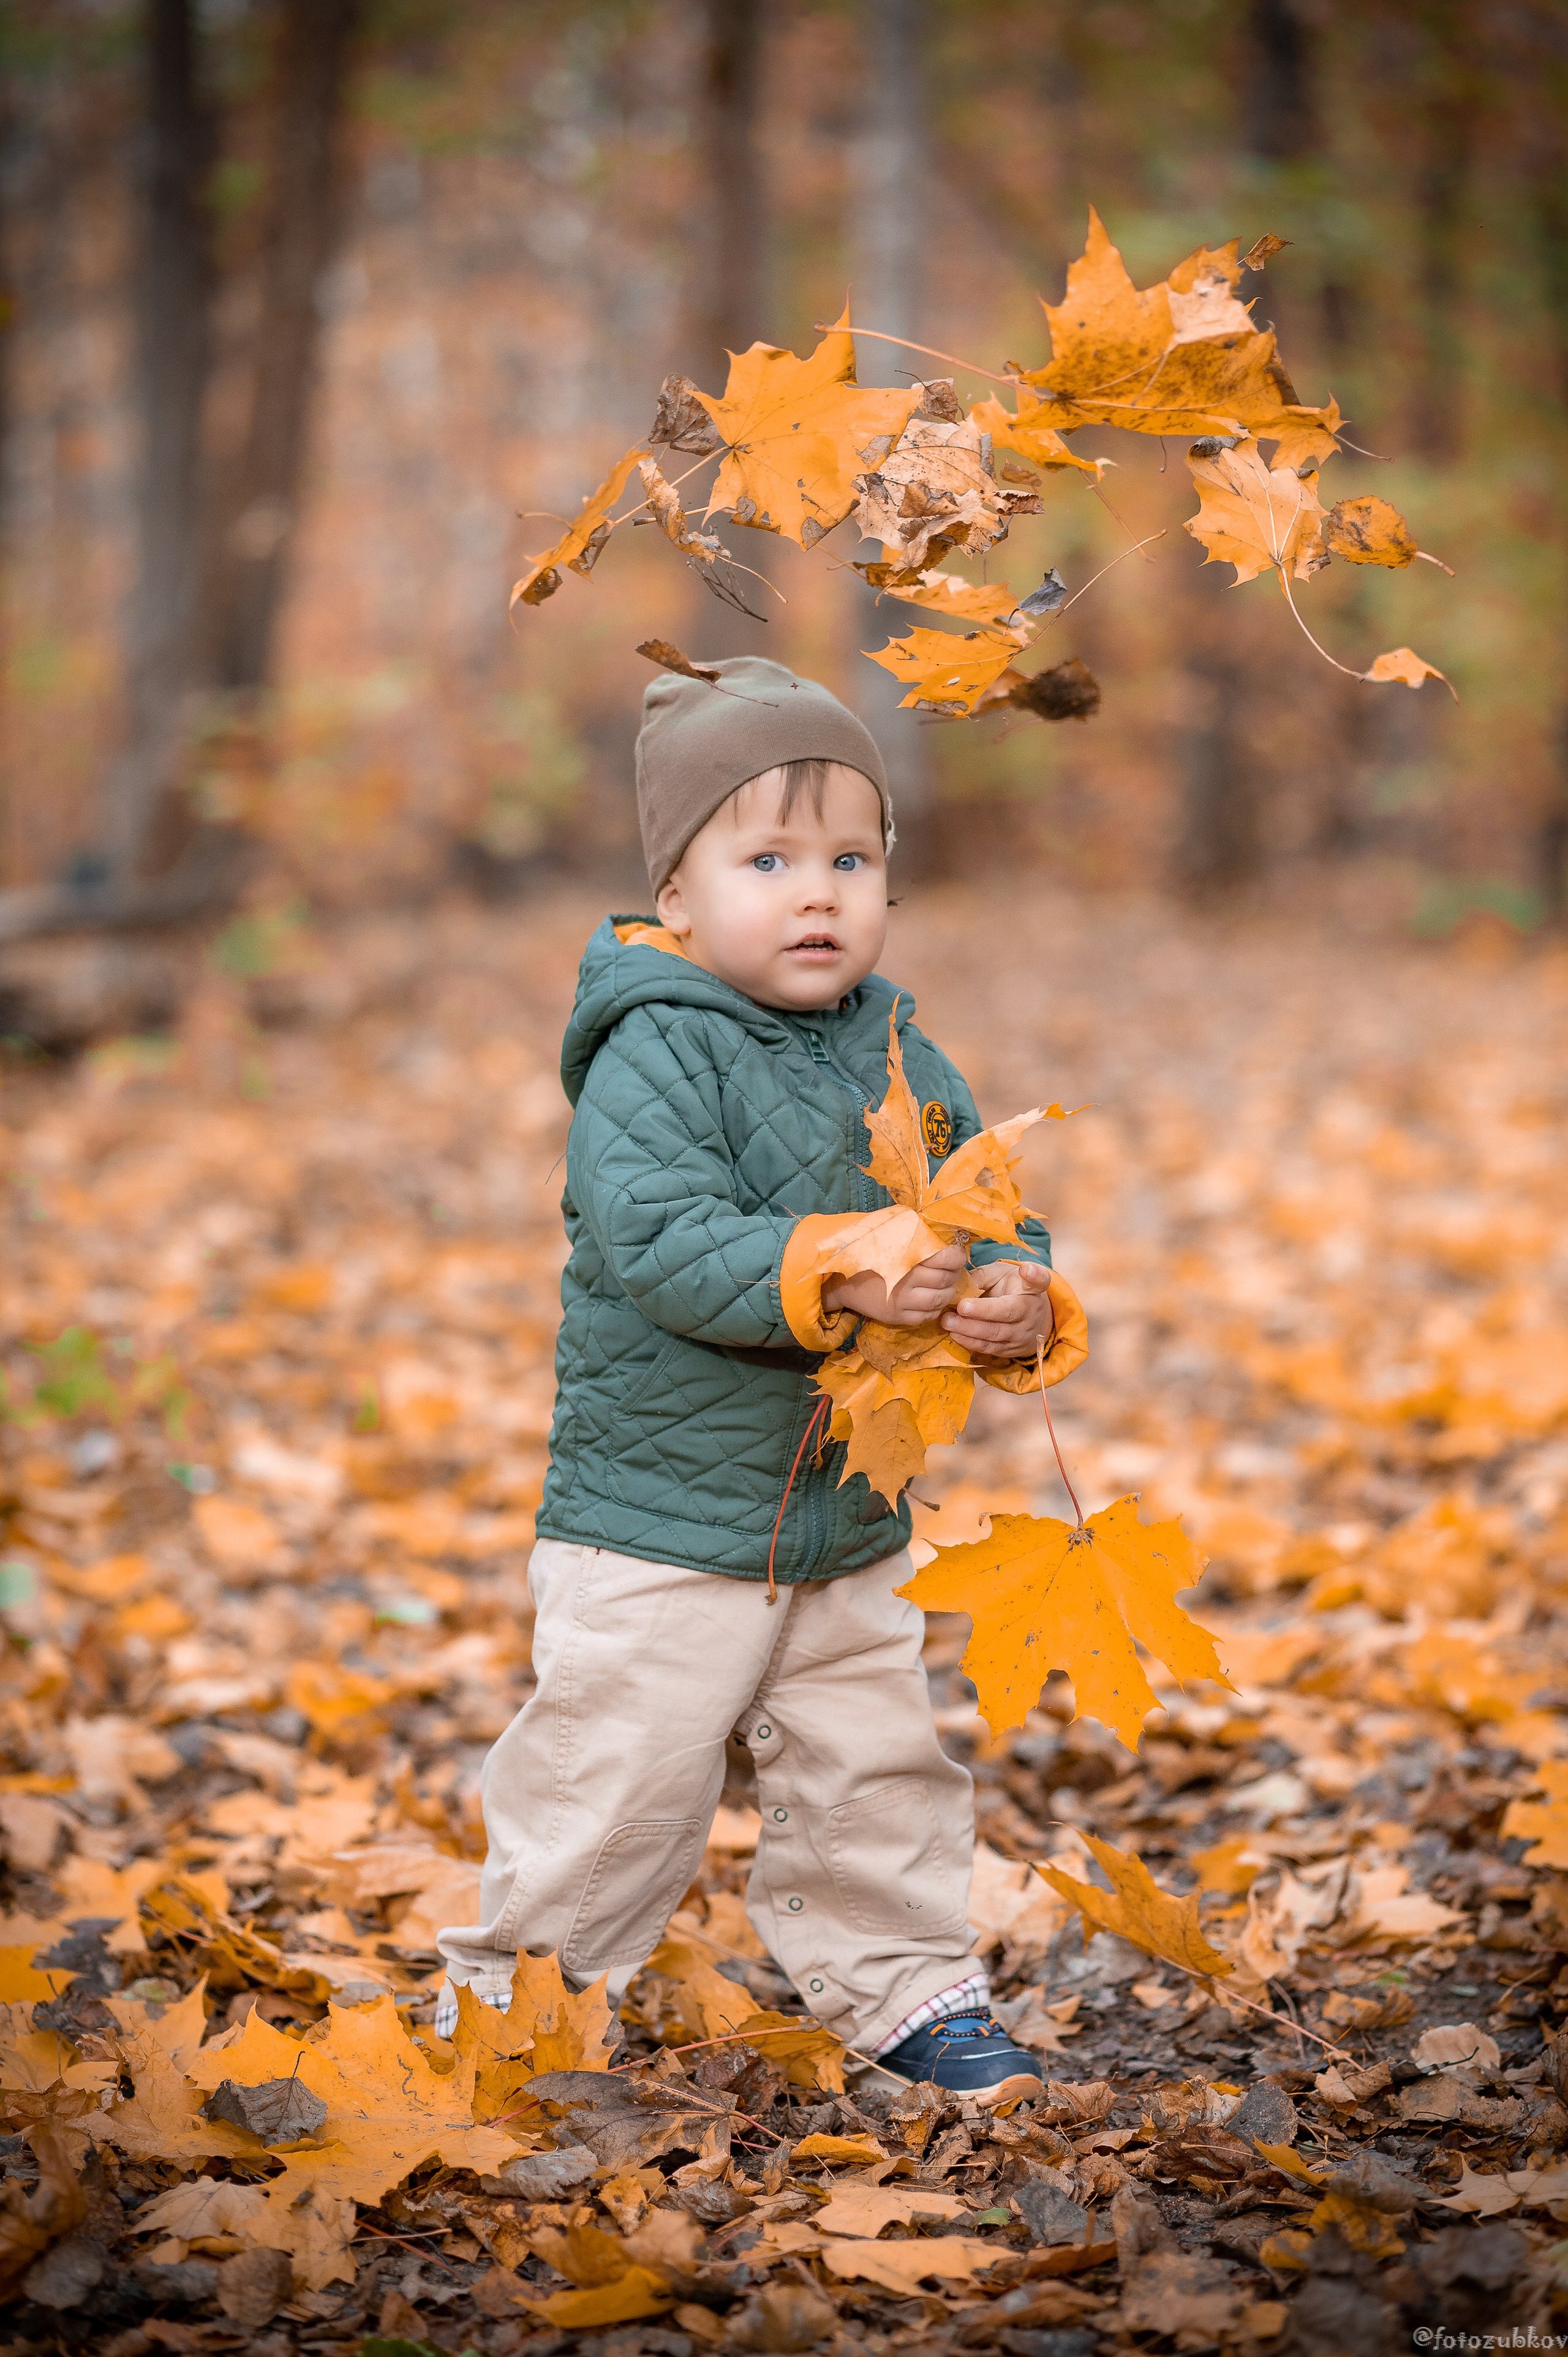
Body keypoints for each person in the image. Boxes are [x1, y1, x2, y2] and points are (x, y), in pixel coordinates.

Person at [436, 655, 1086, 2102]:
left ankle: (906, 1984)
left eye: (850, 857)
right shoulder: (654, 1044)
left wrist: (1013, 1294)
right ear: (675, 894)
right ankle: (513, 2011)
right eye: (769, 857)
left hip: (845, 1511)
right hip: (657, 1524)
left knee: (876, 1770)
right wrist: (840, 1270)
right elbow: (663, 1239)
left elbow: (988, 1207)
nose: (818, 893)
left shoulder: (900, 1047)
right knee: (614, 1789)